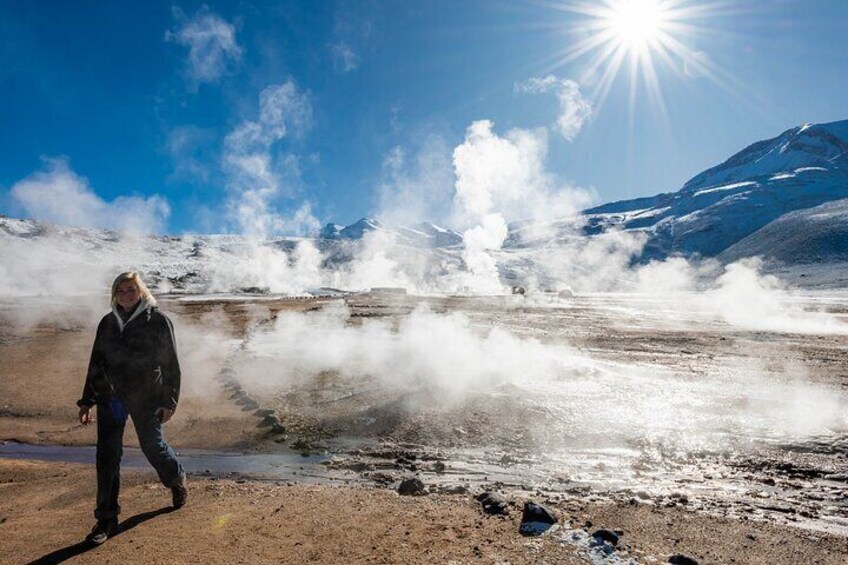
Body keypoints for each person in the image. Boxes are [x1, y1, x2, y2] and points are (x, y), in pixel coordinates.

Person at [77, 271, 187, 545]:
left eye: (131, 290)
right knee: (107, 455)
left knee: (152, 446)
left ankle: (176, 477)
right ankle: (106, 519)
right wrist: (87, 399)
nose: (126, 295)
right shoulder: (107, 323)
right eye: (121, 290)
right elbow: (96, 362)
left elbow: (171, 364)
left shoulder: (158, 320)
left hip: (146, 396)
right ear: (114, 294)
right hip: (111, 398)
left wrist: (170, 400)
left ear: (141, 292)